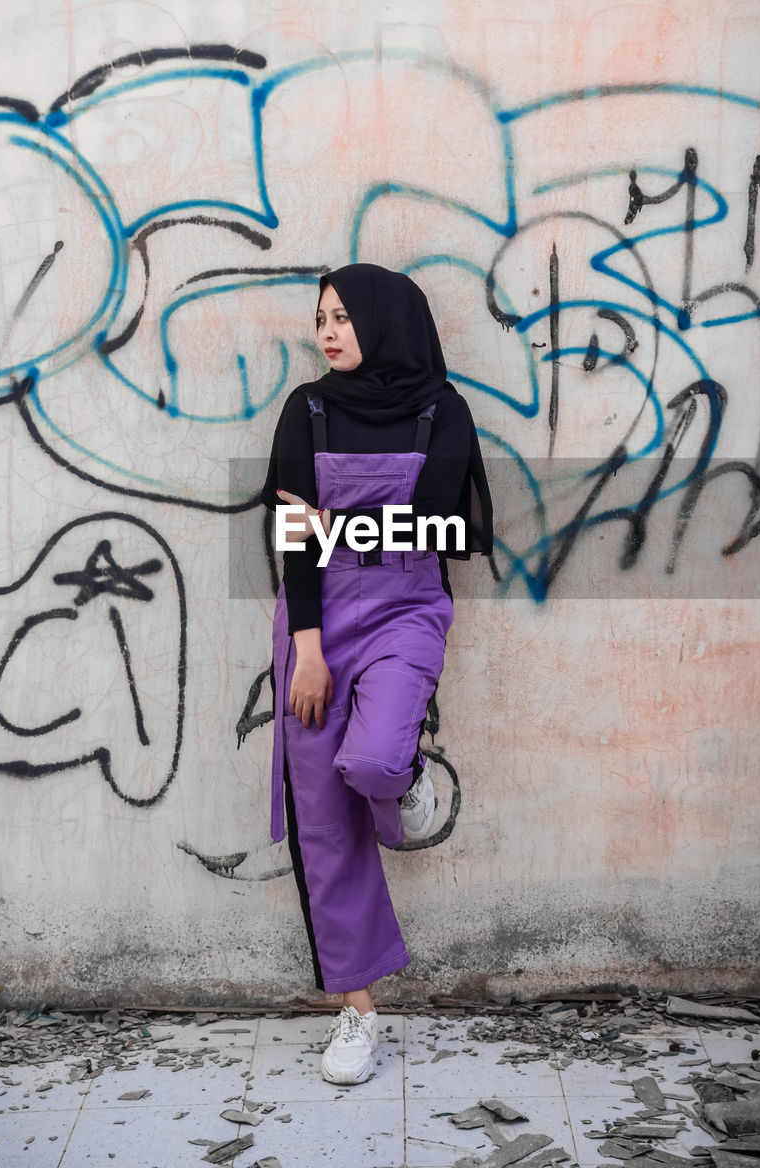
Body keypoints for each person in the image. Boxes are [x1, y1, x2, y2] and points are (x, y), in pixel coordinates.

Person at [261, 263, 493, 1085]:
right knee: (323, 825)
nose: (328, 332)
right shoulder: (307, 409)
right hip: (316, 622)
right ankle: (357, 1016)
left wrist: (333, 521)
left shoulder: (443, 410)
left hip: (403, 612)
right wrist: (310, 647)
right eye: (321, 317)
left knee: (372, 762)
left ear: (386, 321)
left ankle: (408, 772)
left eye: (344, 318)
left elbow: (431, 526)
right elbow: (292, 539)